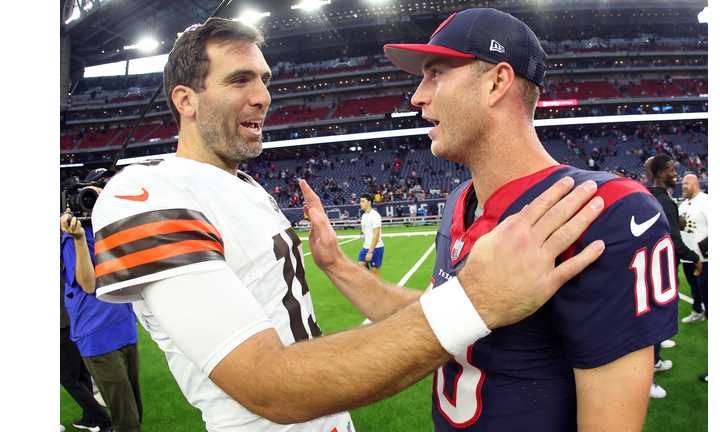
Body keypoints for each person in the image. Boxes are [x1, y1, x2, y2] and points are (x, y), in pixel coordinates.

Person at [91, 17, 605, 432]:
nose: (264, 96)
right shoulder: (145, 192)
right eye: (239, 80)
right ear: (185, 100)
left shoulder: (246, 188)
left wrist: (335, 264)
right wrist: (475, 300)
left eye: (265, 80)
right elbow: (267, 385)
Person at [378, 8, 677, 429]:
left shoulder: (607, 212)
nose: (418, 96)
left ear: (497, 82)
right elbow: (436, 316)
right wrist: (336, 265)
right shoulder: (457, 201)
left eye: (437, 73)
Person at [60, 183, 142, 432]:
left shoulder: (108, 230)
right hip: (98, 334)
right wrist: (78, 238)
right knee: (126, 420)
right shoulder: (72, 238)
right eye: (89, 197)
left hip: (124, 326)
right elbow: (87, 283)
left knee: (135, 412)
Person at [647, 154, 703, 395]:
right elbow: (674, 242)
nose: (674, 172)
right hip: (662, 267)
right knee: (657, 317)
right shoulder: (665, 201)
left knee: (657, 315)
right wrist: (696, 258)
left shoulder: (652, 196)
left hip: (652, 266)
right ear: (661, 174)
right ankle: (649, 371)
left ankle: (656, 353)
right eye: (670, 168)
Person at [60, 251, 113, 432]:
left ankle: (103, 421)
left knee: (68, 378)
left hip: (64, 321)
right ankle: (90, 418)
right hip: (71, 318)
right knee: (80, 373)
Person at [679, 174, 708, 325]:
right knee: (694, 288)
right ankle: (697, 312)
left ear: (695, 184)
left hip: (704, 257)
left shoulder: (706, 201)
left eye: (686, 183)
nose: (683, 186)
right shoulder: (684, 205)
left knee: (706, 289)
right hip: (688, 257)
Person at [357, 193, 385, 276]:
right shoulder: (364, 216)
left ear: (369, 203)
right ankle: (369, 287)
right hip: (365, 247)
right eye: (360, 201)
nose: (360, 203)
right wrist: (363, 247)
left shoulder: (375, 215)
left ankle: (380, 289)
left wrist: (370, 252)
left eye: (363, 201)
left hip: (375, 248)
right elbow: (365, 233)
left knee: (375, 274)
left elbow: (376, 235)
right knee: (360, 270)